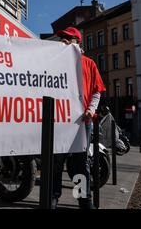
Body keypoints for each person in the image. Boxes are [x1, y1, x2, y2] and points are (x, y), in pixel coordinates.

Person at [51, 26, 106, 209]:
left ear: (77, 42)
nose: (64, 41)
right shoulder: (56, 62)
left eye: (68, 38)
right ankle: (53, 198)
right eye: (63, 38)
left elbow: (97, 91)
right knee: (57, 161)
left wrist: (90, 110)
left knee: (80, 164)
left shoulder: (89, 63)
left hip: (83, 122)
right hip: (60, 121)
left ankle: (83, 201)